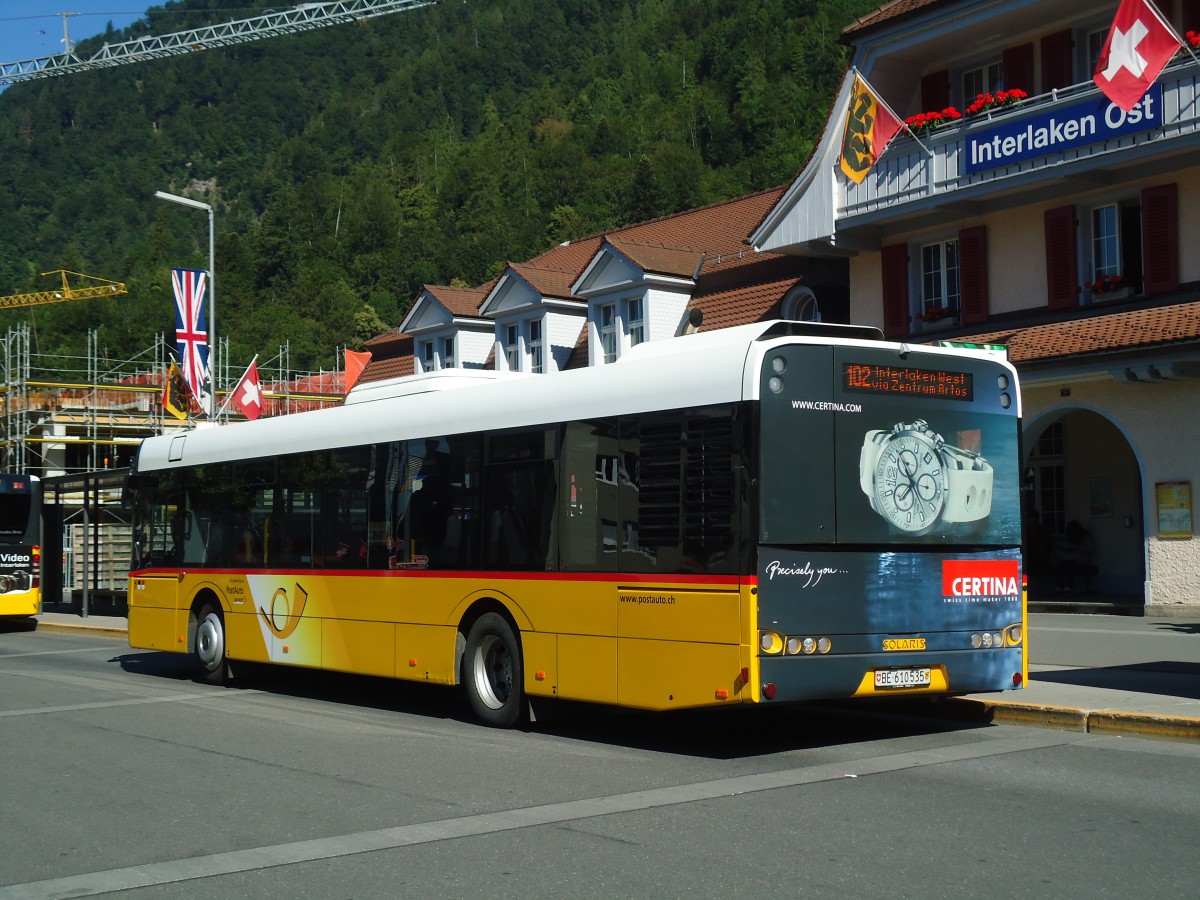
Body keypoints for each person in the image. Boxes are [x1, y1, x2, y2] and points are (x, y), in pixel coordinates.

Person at [1055, 519, 1097, 593]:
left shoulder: (1087, 537)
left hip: (1082, 560)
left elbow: (1090, 549)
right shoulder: (1071, 538)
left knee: (1069, 566)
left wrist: (1078, 549)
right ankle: (1059, 586)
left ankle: (1068, 586)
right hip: (1072, 557)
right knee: (1060, 565)